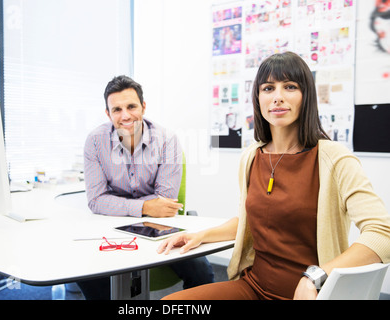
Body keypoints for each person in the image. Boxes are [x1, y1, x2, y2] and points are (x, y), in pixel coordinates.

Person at [157, 51, 390, 300]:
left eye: (290, 86)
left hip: (310, 294)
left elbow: (382, 232)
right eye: (268, 88)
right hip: (253, 287)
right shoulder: (251, 156)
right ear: (258, 98)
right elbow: (251, 221)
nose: (278, 97)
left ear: (306, 96)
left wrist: (316, 276)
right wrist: (201, 236)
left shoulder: (334, 159)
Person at [77, 75, 214, 299]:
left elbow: (165, 200)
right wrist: (146, 206)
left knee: (202, 272)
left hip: (158, 225)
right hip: (110, 225)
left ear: (143, 106)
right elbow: (96, 201)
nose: (125, 116)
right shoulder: (95, 141)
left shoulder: (167, 140)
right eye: (117, 109)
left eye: (131, 106)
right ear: (108, 114)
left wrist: (116, 203)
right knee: (84, 271)